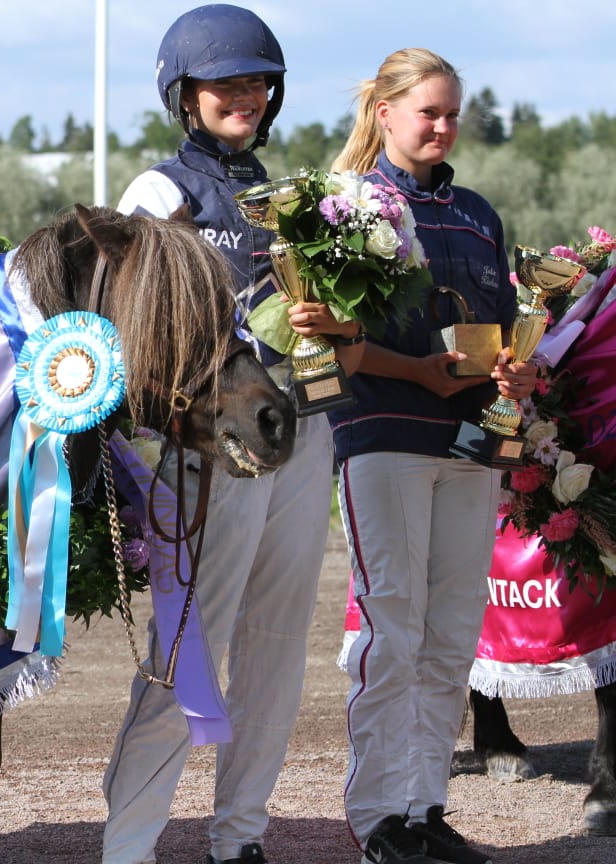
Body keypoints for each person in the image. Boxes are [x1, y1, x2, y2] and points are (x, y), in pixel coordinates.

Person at [101, 7, 362, 864]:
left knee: (279, 646)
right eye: (224, 83)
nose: (243, 95)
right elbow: (140, 320)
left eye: (255, 81)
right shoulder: (160, 192)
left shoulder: (290, 202)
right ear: (185, 95)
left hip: (300, 428)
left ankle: (239, 836)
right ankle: (130, 843)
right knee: (189, 643)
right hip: (215, 443)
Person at [328, 48, 538, 864]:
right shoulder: (347, 206)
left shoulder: (479, 213)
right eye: (430, 112)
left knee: (452, 634)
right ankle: (376, 814)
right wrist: (413, 368)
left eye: (453, 113)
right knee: (395, 630)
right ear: (386, 113)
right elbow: (333, 341)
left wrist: (516, 366)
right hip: (384, 434)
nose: (444, 126)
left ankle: (425, 807)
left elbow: (510, 319)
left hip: (473, 444)